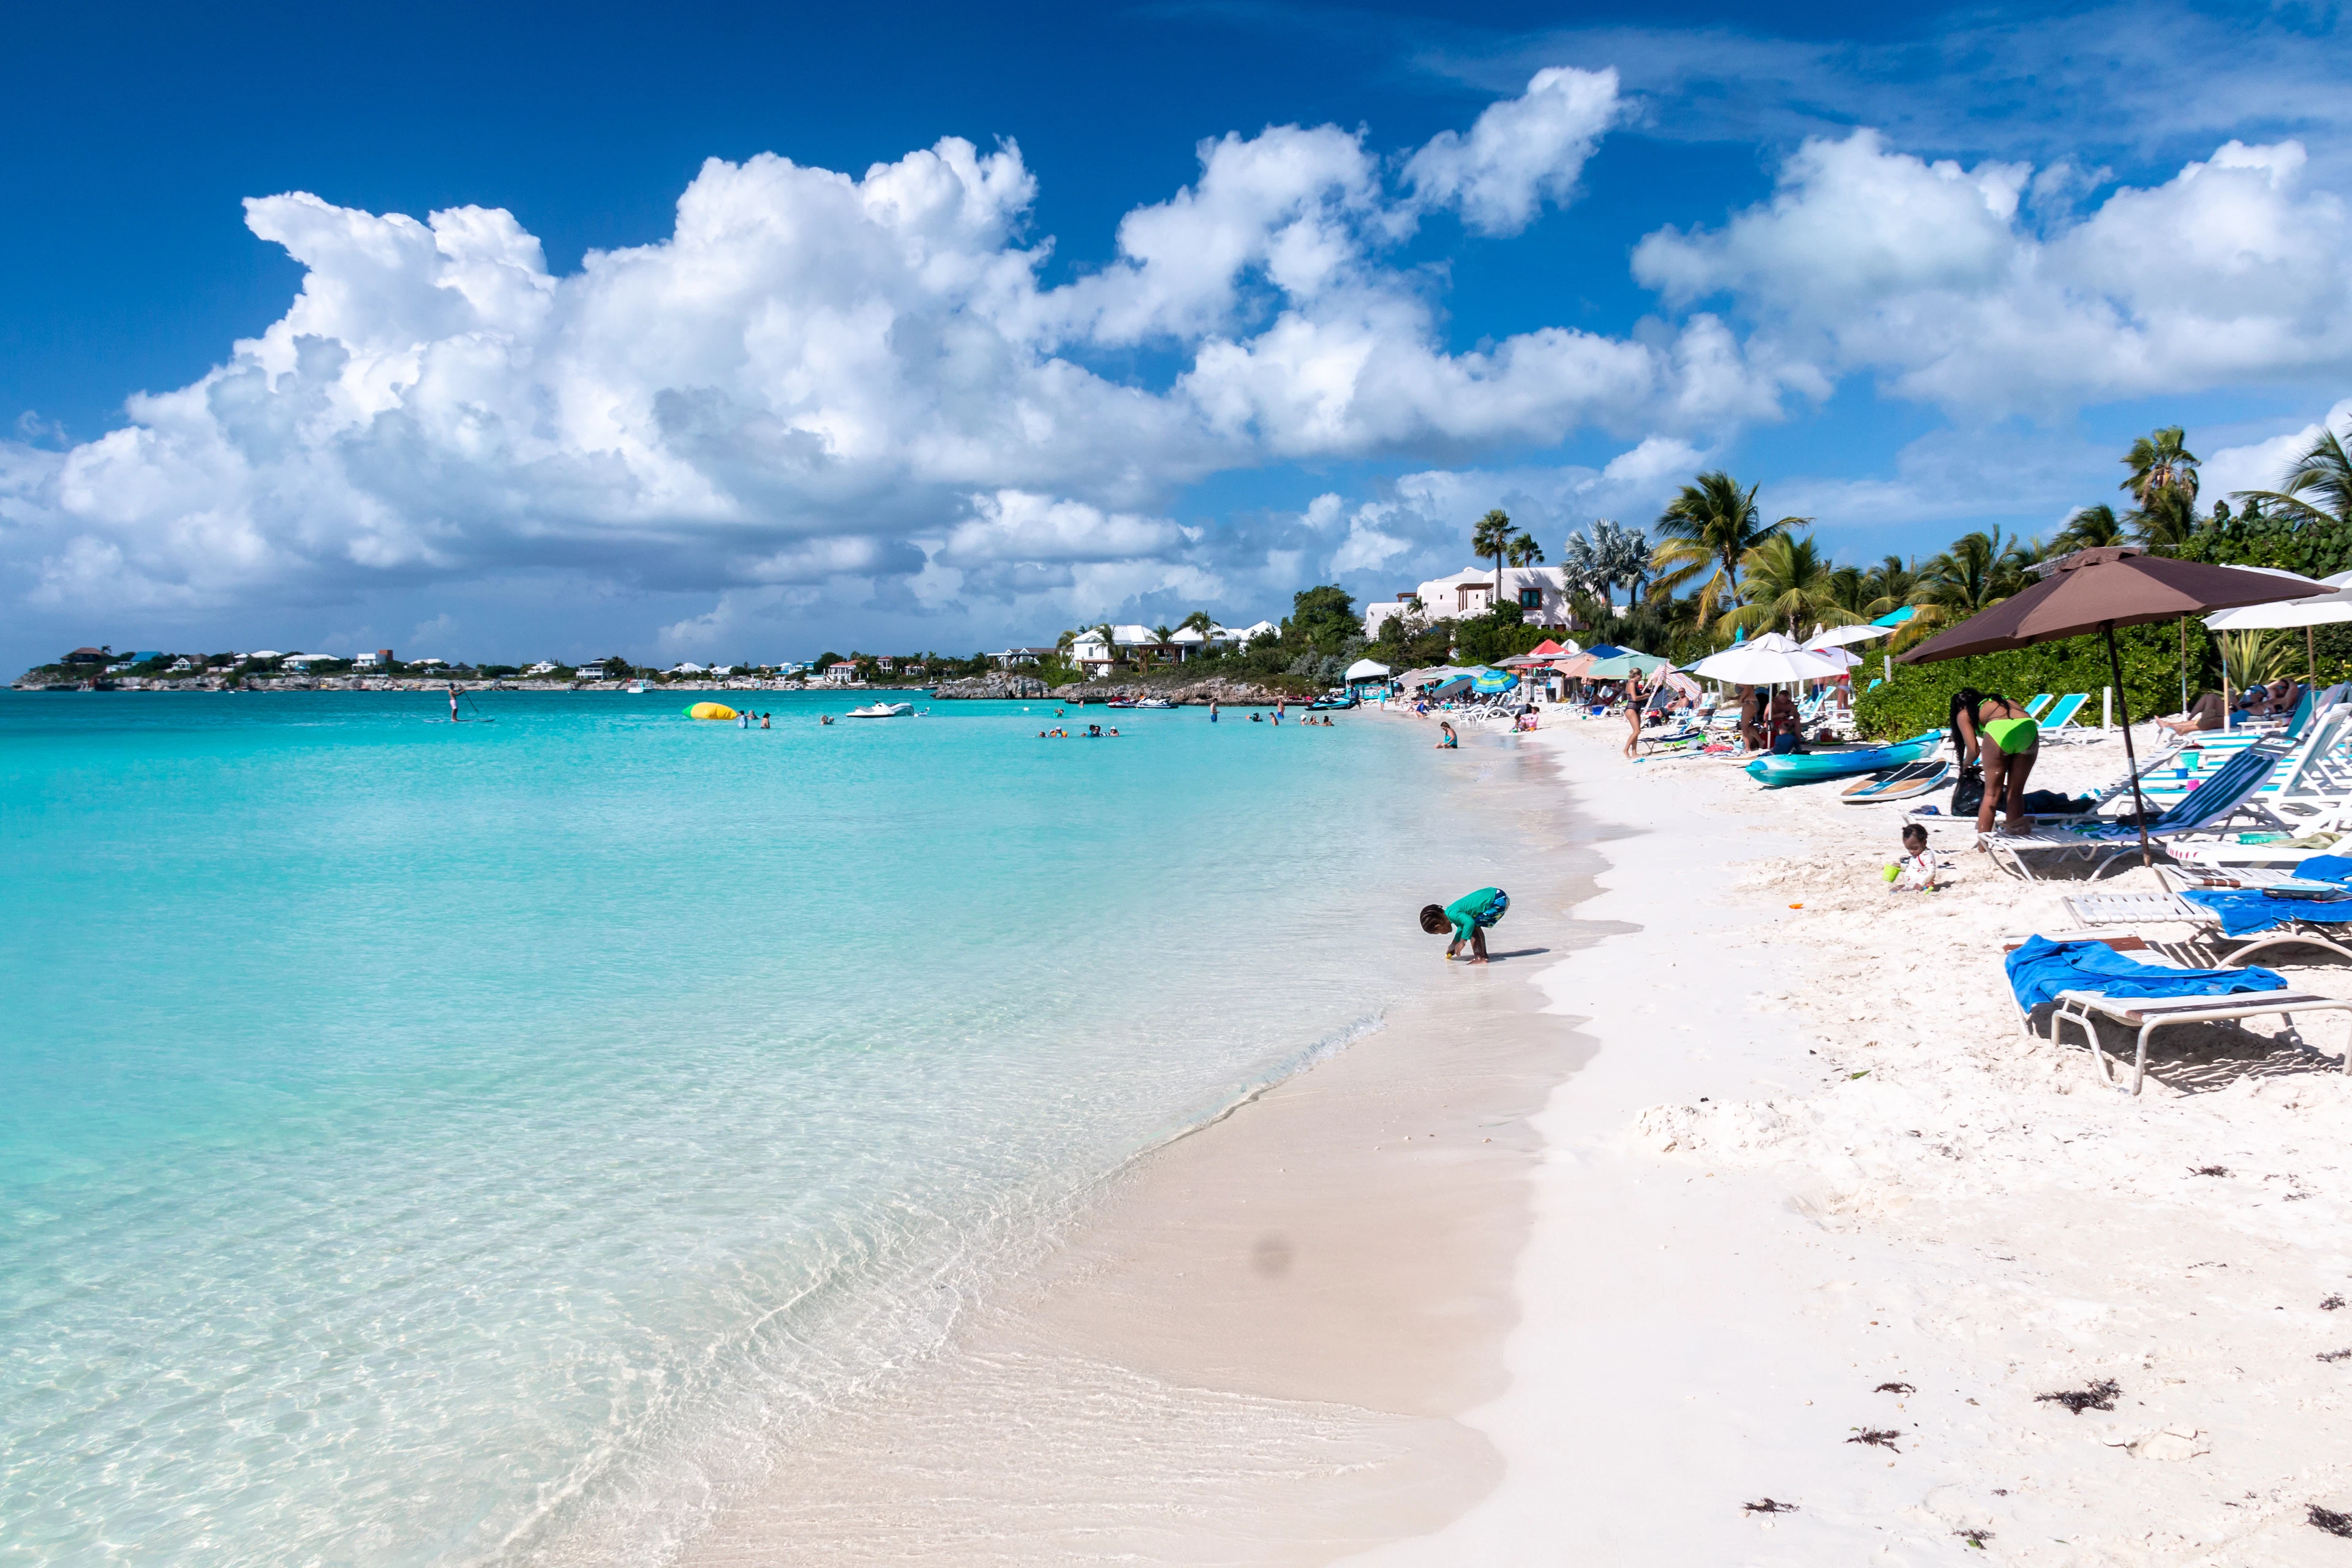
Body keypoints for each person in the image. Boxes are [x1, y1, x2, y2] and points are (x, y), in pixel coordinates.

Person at [1947, 687, 2041, 837]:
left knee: (1991, 795)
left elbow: (1973, 751)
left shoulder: (1963, 713)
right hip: (2028, 728)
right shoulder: (2002, 700)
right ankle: (2016, 837)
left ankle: (1983, 846)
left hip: (1999, 730)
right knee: (2015, 793)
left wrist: (1965, 766)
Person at [1419, 886, 1509, 965]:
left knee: (1473, 926)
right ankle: (1483, 956)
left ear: (1438, 926)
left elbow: (1469, 923)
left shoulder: (1452, 914)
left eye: (1438, 933)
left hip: (1497, 900)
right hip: (1498, 896)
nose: (1441, 934)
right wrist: (1453, 945)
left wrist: (1462, 942)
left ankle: (1480, 958)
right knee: (1473, 926)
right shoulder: (1451, 913)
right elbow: (1462, 928)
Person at [1888, 823, 1942, 892]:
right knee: (1894, 889)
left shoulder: (1926, 855)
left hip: (1923, 886)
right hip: (1910, 885)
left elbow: (1932, 872)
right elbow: (1913, 867)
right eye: (1908, 849)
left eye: (1915, 848)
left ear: (1924, 843)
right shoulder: (1917, 854)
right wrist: (1901, 866)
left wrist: (1920, 884)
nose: (1911, 852)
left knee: (1902, 891)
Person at [2156, 691, 2225, 736]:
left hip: (2232, 720)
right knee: (2208, 696)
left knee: (2213, 720)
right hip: (2230, 716)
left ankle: (2184, 729)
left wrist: (2234, 702)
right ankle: (2167, 724)